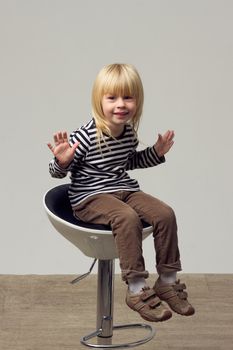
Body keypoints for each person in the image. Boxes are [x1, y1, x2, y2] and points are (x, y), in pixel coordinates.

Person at [48, 63, 195, 322]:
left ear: (137, 101)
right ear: (99, 101)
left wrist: (156, 153)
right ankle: (136, 287)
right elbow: (58, 172)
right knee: (127, 217)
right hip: (90, 197)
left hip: (123, 189)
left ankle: (167, 280)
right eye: (112, 97)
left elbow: (129, 162)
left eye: (128, 97)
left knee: (165, 213)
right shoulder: (85, 135)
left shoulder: (127, 133)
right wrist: (61, 161)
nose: (121, 104)